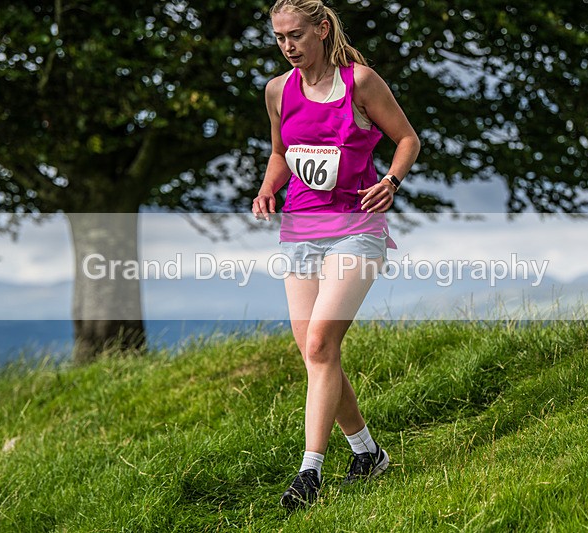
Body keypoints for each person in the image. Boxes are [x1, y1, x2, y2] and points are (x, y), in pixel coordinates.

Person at [252, 0, 419, 510]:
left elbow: (407, 139)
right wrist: (266, 189)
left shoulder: (361, 83)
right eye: (280, 37)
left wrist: (391, 180)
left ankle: (310, 471)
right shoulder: (278, 90)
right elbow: (282, 153)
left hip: (356, 229)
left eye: (296, 35)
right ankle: (368, 454)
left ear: (322, 29)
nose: (288, 46)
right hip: (299, 231)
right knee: (315, 352)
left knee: (322, 340)